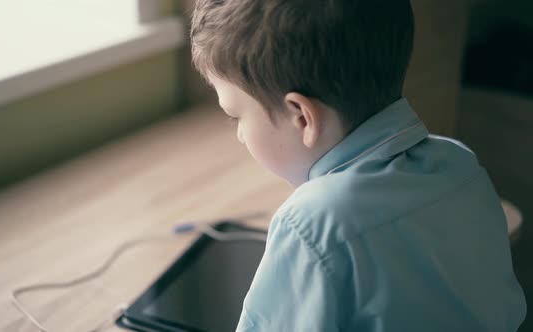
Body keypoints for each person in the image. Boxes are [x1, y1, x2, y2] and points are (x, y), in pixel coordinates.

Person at [190, 0, 527, 330]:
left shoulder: (310, 225)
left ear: (302, 117)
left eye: (235, 116)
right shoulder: (458, 164)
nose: (239, 136)